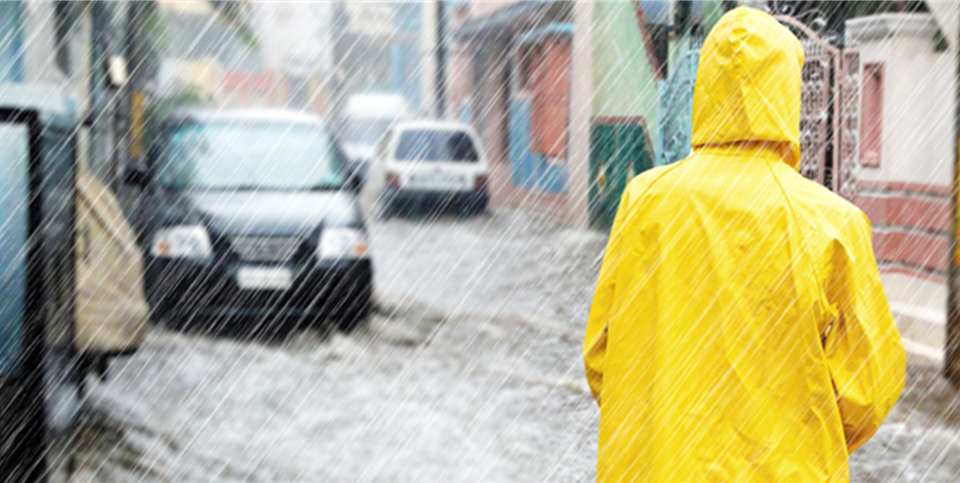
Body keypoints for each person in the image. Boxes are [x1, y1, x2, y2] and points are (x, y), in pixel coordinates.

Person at [583, 7, 905, 483]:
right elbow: (868, 390)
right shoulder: (833, 225)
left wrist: (664, 426)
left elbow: (601, 356)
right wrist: (791, 429)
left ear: (705, 87)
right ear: (787, 92)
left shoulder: (644, 202)